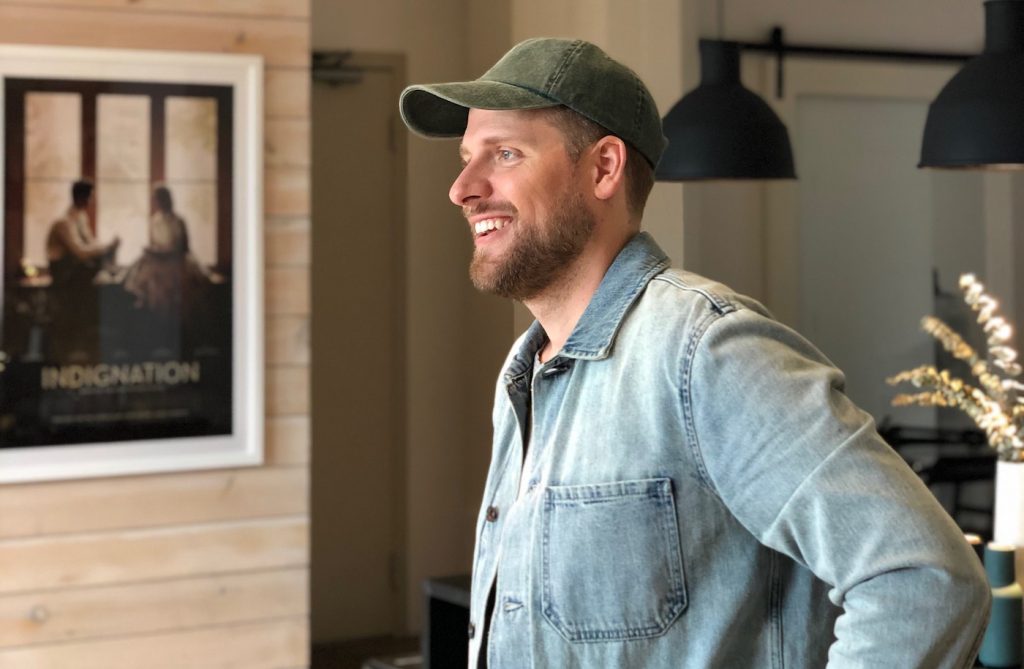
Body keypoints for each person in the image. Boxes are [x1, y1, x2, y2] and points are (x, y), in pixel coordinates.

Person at [400, 38, 990, 668]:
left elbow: (922, 580)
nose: (462, 188)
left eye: (505, 154)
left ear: (603, 168)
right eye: (466, 159)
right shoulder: (524, 372)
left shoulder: (705, 352)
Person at [46, 179, 118, 287]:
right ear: (82, 198)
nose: (92, 201)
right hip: (62, 271)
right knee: (98, 263)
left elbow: (90, 242)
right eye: (91, 197)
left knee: (103, 259)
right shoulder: (65, 222)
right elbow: (80, 252)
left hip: (73, 265)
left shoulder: (81, 216)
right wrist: (106, 247)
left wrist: (108, 247)